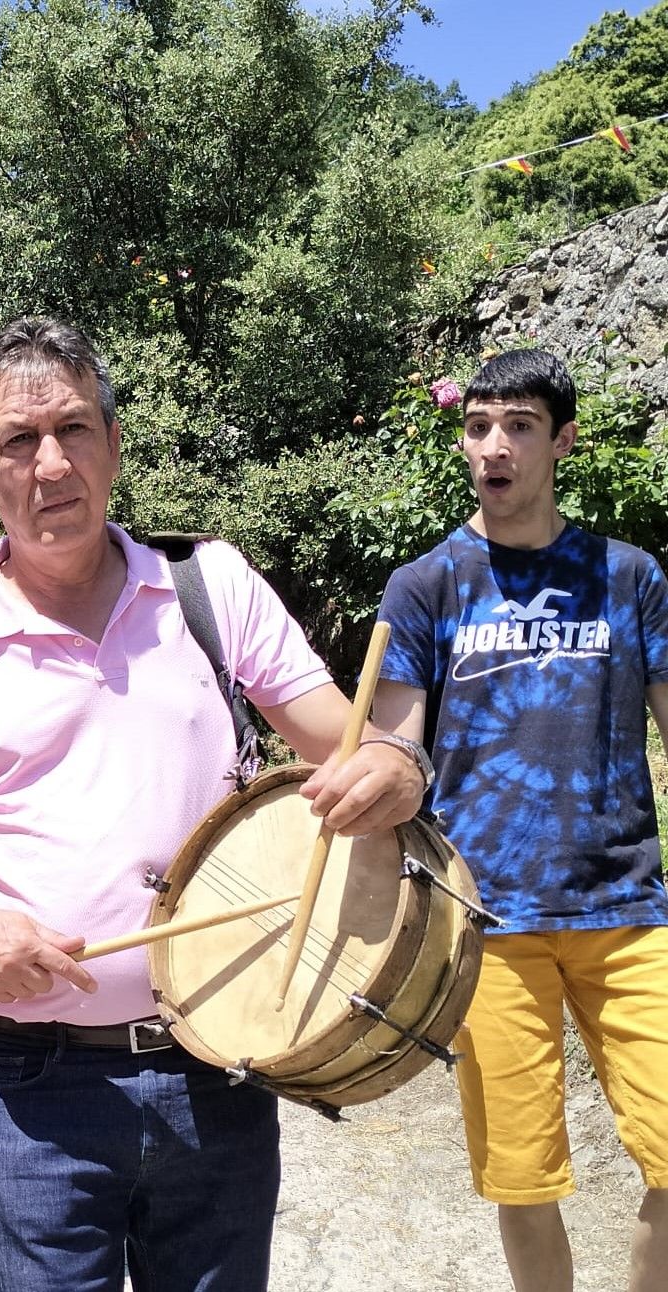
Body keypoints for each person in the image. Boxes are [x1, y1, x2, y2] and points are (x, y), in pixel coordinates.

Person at [0, 317, 428, 1292]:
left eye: (74, 429)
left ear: (114, 444)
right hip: (33, 1090)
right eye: (18, 440)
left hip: (221, 1063)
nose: (51, 464)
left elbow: (348, 744)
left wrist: (400, 768)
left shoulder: (208, 585)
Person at [372, 349, 668, 1292]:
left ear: (562, 440)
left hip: (630, 910)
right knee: (524, 1178)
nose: (493, 448)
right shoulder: (427, 586)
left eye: (520, 427)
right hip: (489, 921)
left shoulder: (630, 578)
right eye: (478, 426)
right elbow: (393, 752)